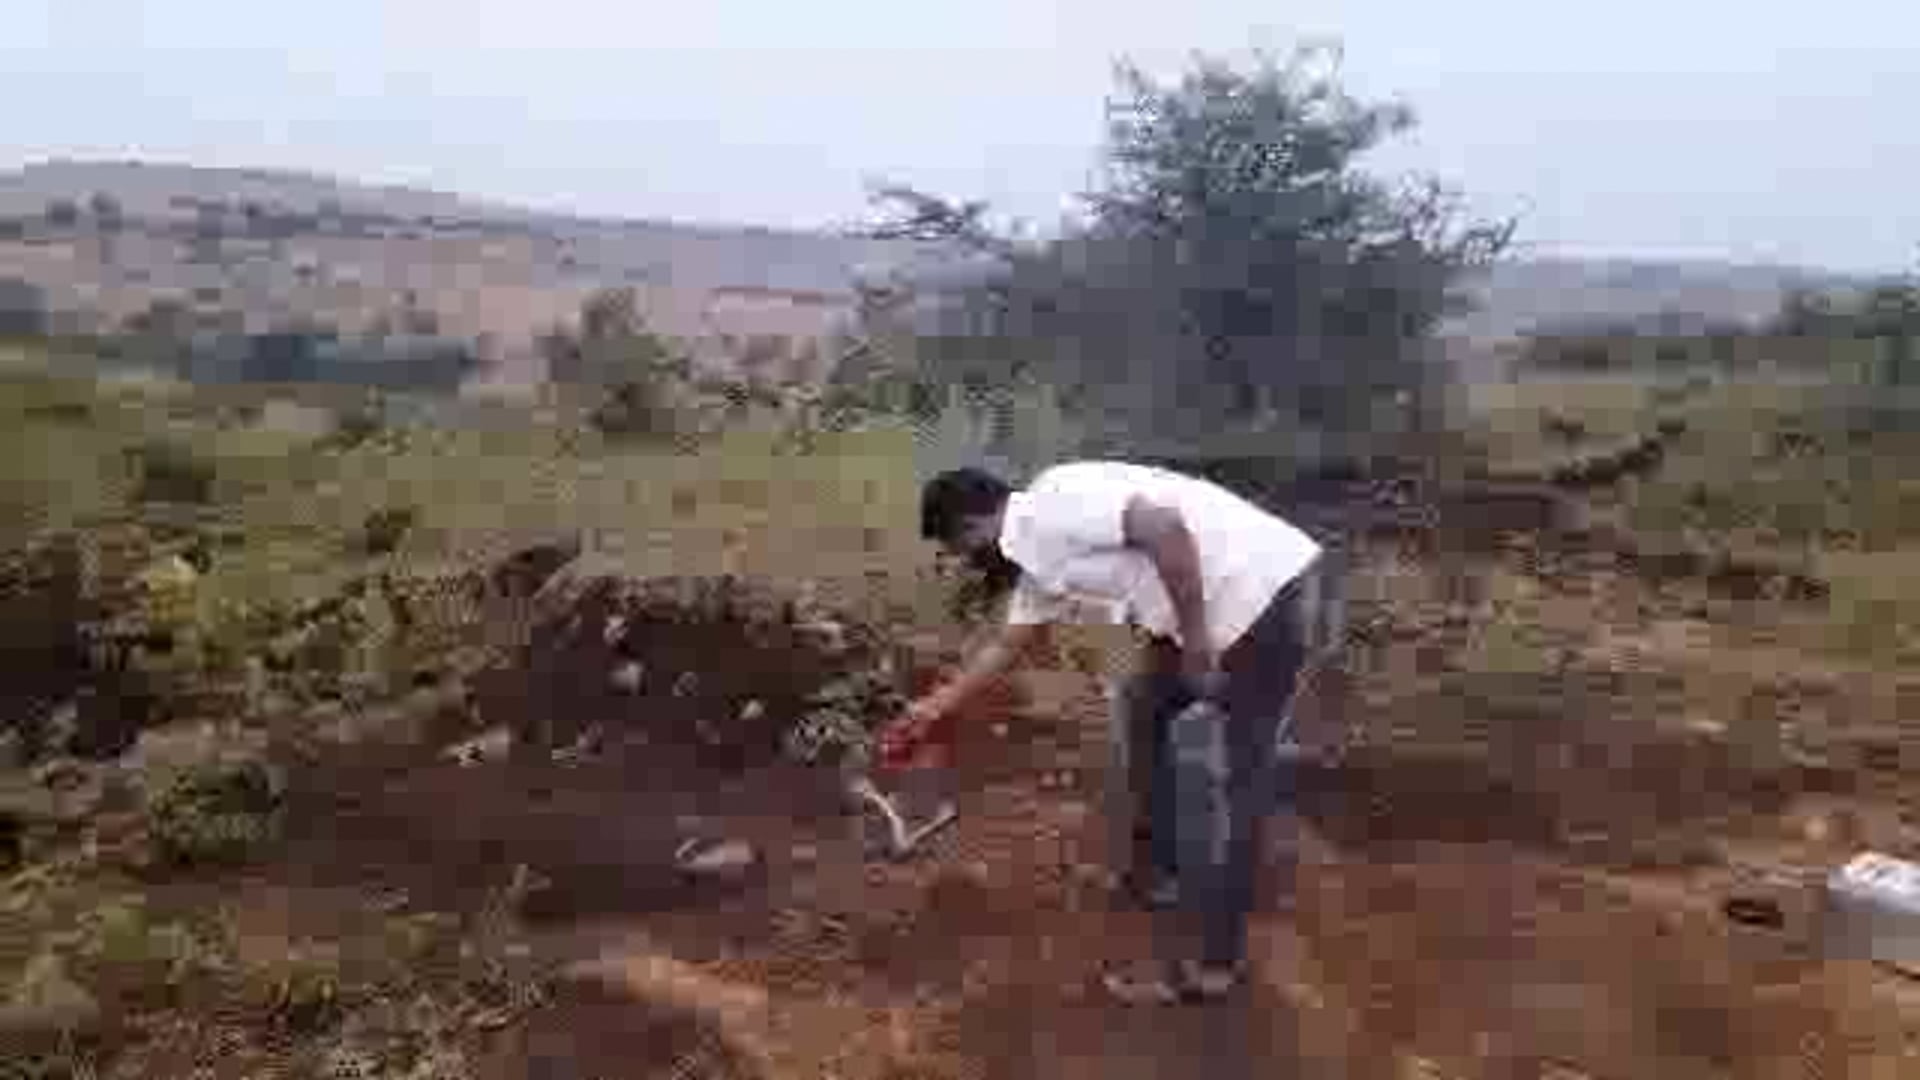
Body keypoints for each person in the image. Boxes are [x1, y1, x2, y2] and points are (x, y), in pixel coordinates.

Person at [880, 461, 1326, 1006]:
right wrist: (931, 710)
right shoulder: (1037, 554)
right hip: (1208, 605)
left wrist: (1195, 643)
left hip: (1260, 597)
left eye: (960, 548)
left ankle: (1215, 965)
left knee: (1238, 780)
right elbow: (1008, 645)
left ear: (971, 525)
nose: (967, 561)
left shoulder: (1053, 506)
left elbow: (1164, 528)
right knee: (1143, 706)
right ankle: (1158, 871)